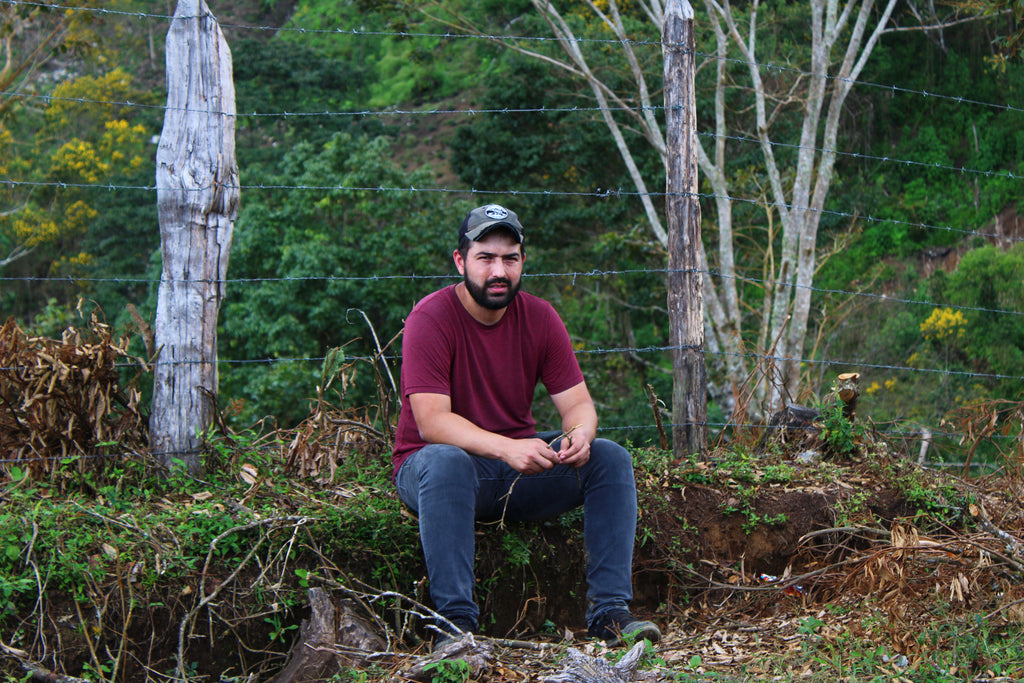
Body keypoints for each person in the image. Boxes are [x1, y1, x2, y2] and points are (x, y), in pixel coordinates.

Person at [392, 203, 660, 649]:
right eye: (486, 258)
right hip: (434, 475)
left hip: (513, 470)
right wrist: (507, 448)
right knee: (445, 462)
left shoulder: (539, 317)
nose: (499, 270)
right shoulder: (430, 318)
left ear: (522, 263)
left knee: (610, 457)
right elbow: (432, 422)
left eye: (510, 259)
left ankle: (610, 614)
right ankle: (455, 628)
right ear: (460, 261)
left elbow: (578, 404)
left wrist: (579, 435)